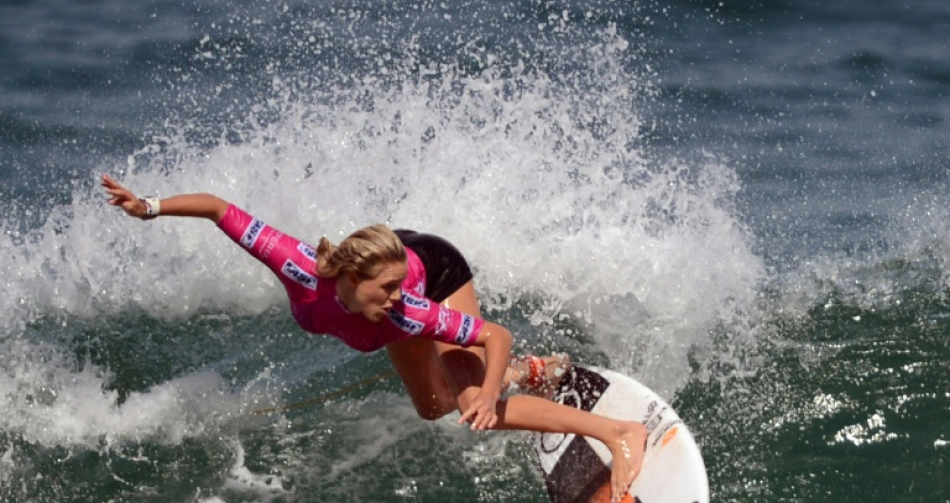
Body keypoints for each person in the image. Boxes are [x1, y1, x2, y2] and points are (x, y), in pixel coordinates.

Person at [101, 174, 647, 502]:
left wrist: (483, 394)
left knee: (469, 399)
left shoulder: (406, 308)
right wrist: (148, 207)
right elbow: (220, 209)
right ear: (350, 279)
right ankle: (532, 371)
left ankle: (616, 432)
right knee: (432, 408)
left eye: (395, 294)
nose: (394, 300)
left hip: (437, 264)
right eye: (383, 292)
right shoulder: (299, 268)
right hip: (391, 253)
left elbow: (492, 333)